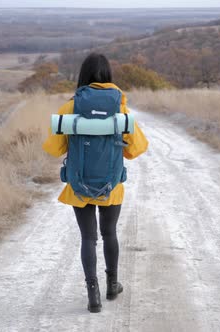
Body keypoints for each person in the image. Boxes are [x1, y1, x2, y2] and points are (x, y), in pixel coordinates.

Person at [42, 53, 148, 313]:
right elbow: (136, 149)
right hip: (111, 186)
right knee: (109, 233)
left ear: (83, 75)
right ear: (108, 75)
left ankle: (93, 295)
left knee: (88, 238)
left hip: (78, 186)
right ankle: (113, 285)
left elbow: (54, 150)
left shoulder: (70, 108)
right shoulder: (120, 109)